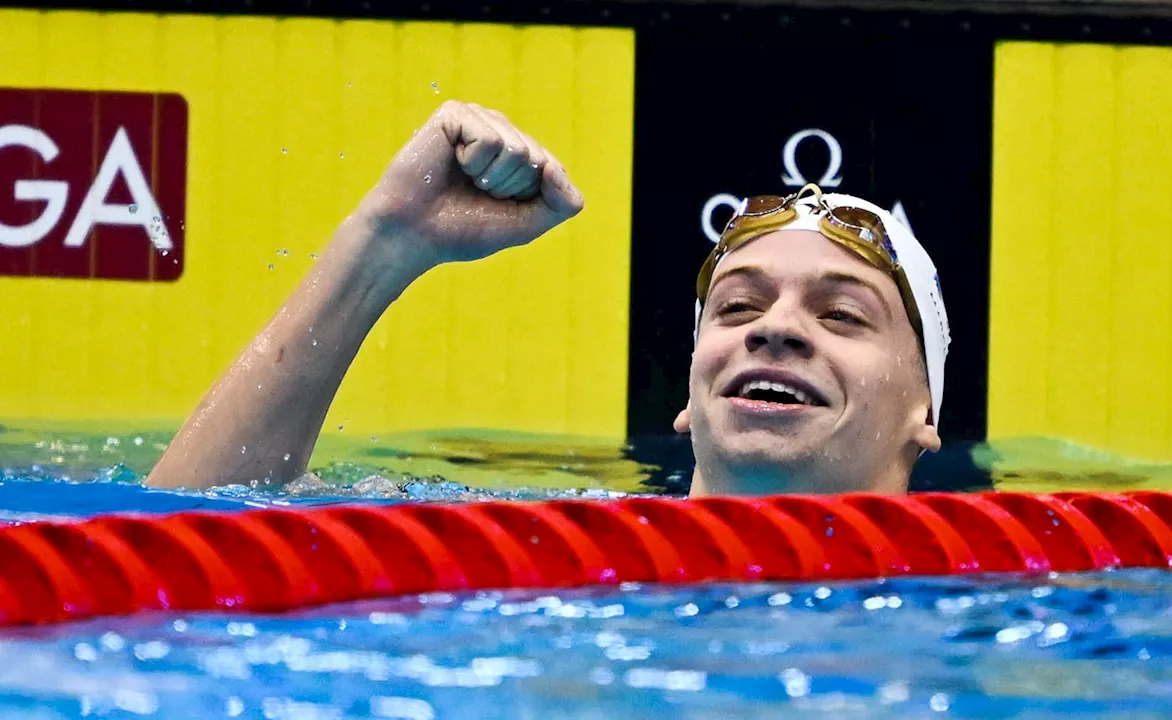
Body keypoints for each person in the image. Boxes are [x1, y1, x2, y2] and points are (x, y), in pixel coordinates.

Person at [144, 101, 949, 495]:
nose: (775, 329)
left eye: (841, 314)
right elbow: (176, 558)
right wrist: (384, 248)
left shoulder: (993, 599)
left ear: (926, 413)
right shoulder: (533, 547)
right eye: (737, 307)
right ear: (688, 403)